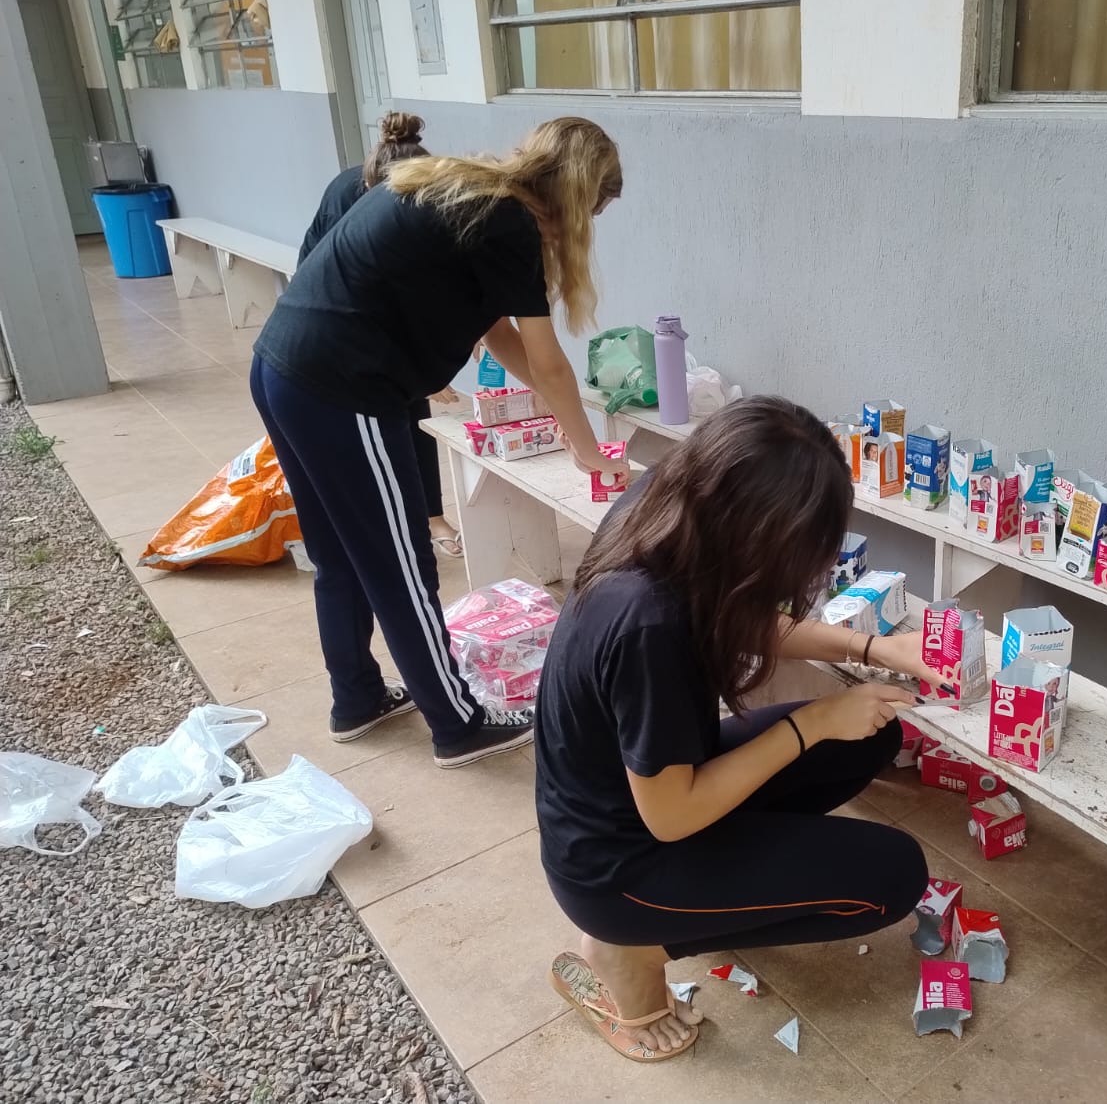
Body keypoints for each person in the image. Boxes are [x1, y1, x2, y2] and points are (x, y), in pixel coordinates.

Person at [536, 397, 948, 1062]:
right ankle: (633, 946)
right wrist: (814, 721)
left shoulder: (667, 506)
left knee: (870, 735)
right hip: (618, 864)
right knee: (895, 876)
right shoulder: (649, 625)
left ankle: (720, 885)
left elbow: (736, 617)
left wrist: (871, 648)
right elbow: (672, 816)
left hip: (649, 791)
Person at [251, 116, 627, 768]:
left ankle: (357, 699)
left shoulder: (468, 191)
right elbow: (548, 361)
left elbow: (498, 331)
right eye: (592, 210)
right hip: (343, 386)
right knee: (401, 564)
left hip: (283, 369)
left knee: (339, 554)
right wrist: (588, 449)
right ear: (574, 193)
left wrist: (556, 414)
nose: (584, 226)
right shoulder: (509, 220)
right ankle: (458, 725)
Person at [295, 112, 464, 560]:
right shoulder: (350, 199)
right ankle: (382, 525)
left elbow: (422, 281)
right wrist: (423, 363)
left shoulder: (419, 201)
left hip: (376, 311)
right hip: (329, 320)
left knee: (414, 408)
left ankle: (430, 515)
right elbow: (363, 299)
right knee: (374, 416)